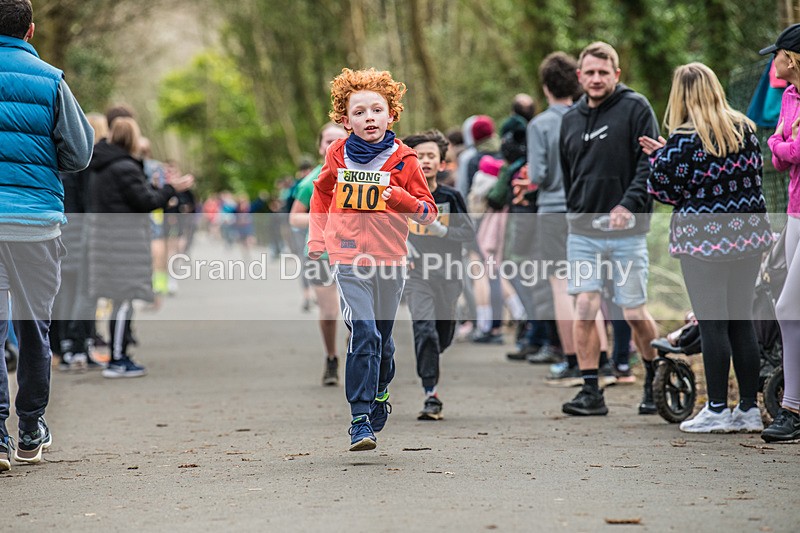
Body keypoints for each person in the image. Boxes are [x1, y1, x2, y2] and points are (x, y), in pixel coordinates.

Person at [308, 68, 437, 451]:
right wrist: (318, 239)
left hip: (391, 259)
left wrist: (398, 198)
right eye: (359, 112)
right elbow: (322, 195)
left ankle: (381, 389)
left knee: (385, 341)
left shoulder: (405, 160)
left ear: (391, 115)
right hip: (347, 256)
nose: (369, 118)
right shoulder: (337, 153)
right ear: (345, 120)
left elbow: (428, 213)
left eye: (377, 110)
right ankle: (360, 418)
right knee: (362, 331)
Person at [641, 62, 774, 433]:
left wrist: (659, 157)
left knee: (712, 323)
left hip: (703, 242)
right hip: (748, 238)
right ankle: (747, 409)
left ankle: (716, 408)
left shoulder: (684, 139)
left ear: (680, 96)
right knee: (740, 322)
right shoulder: (744, 130)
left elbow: (664, 190)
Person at [0, 0, 94, 470]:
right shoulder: (51, 80)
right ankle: (31, 429)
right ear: (31, 30)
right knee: (34, 326)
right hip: (34, 222)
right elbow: (78, 153)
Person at [559, 42, 659, 416]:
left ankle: (654, 379)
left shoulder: (636, 108)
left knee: (633, 311)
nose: (597, 79)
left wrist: (627, 205)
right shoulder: (569, 119)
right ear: (580, 76)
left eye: (604, 72)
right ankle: (590, 390)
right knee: (585, 306)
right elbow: (569, 175)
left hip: (627, 232)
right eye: (590, 72)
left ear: (616, 74)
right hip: (582, 232)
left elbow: (649, 165)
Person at [514, 51, 612, 384]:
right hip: (585, 208)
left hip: (553, 210)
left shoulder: (539, 124)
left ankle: (573, 359)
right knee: (590, 285)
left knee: (561, 286)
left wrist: (527, 184)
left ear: (545, 88)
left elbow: (538, 173)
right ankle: (604, 359)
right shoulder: (588, 115)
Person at [87, 117, 194, 379]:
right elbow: (145, 201)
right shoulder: (124, 167)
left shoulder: (100, 165)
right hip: (122, 243)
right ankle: (117, 358)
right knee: (124, 301)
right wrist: (171, 189)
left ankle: (119, 354)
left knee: (120, 300)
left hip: (107, 240)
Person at [403, 130, 475, 420]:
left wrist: (442, 230)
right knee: (424, 328)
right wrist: (403, 243)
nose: (426, 161)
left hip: (448, 274)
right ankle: (430, 393)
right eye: (419, 156)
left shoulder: (451, 196)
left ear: (441, 162)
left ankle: (433, 352)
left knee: (442, 335)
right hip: (417, 274)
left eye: (431, 155)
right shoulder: (402, 199)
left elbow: (469, 232)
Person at [760, 24, 800, 442]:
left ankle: (792, 407)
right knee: (792, 309)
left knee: (789, 308)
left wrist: (785, 145)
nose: (773, 62)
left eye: (777, 54)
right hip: (794, 209)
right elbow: (780, 152)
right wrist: (784, 144)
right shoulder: (789, 97)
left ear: (792, 58)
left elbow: (793, 149)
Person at [289, 122, 349, 386]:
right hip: (319, 254)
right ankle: (331, 357)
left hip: (353, 253)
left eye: (339, 139)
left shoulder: (358, 175)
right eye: (328, 141)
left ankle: (358, 352)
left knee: (357, 311)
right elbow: (295, 218)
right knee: (329, 310)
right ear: (320, 146)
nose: (333, 145)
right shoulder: (310, 181)